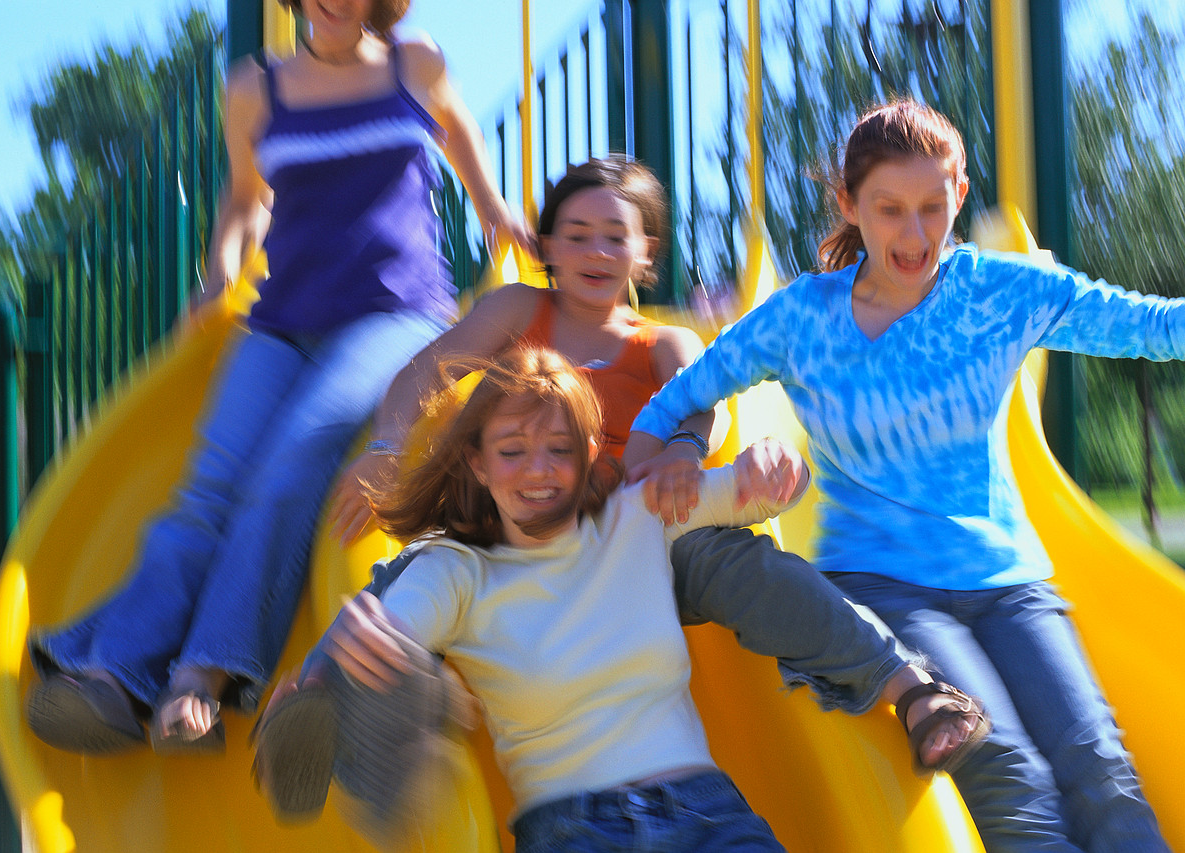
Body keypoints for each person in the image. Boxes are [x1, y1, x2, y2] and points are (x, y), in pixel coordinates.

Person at [625, 99, 1177, 852]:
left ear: (958, 193)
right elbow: (668, 409)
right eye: (889, 210)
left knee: (1100, 764)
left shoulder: (1002, 293)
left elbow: (1146, 325)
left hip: (1010, 580)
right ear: (851, 205)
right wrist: (685, 453)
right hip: (885, 587)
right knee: (1006, 767)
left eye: (933, 207)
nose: (914, 234)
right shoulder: (802, 319)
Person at [322, 156, 987, 775]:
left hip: (633, 547)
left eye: (617, 236)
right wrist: (387, 444)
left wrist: (680, 449)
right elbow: (424, 373)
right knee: (427, 564)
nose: (596, 251)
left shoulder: (660, 342)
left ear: (645, 254)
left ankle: (913, 689)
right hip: (525, 539)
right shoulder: (520, 309)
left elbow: (706, 405)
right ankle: (328, 693)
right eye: (577, 234)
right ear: (546, 245)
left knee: (735, 561)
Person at [25, 0, 527, 755]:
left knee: (293, 458)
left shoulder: (412, 64)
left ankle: (203, 677)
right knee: (210, 481)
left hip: (394, 312)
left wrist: (494, 210)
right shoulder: (255, 88)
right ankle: (117, 673)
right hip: (284, 315)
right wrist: (221, 260)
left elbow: (455, 129)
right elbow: (245, 194)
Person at [260, 346, 801, 850]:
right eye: (512, 451)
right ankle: (381, 738)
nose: (537, 470)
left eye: (559, 450)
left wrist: (776, 465)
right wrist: (371, 656)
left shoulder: (637, 517)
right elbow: (404, 623)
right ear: (478, 462)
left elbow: (758, 497)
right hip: (575, 829)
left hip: (706, 814)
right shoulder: (458, 571)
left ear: (590, 453)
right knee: (384, 668)